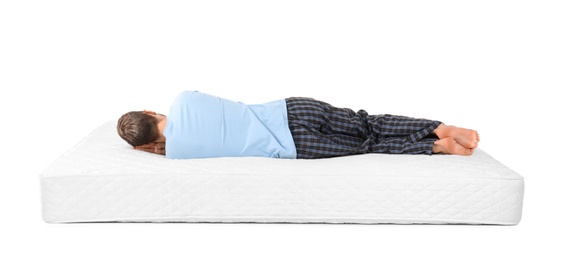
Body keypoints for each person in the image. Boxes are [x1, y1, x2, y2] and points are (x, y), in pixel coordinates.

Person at [117, 91, 479, 159]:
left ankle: (433, 146)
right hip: (291, 110)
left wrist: (151, 149)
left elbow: (167, 144)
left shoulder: (175, 155)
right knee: (366, 123)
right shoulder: (184, 100)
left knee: (369, 144)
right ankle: (439, 127)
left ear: (143, 146)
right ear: (150, 112)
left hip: (296, 147)